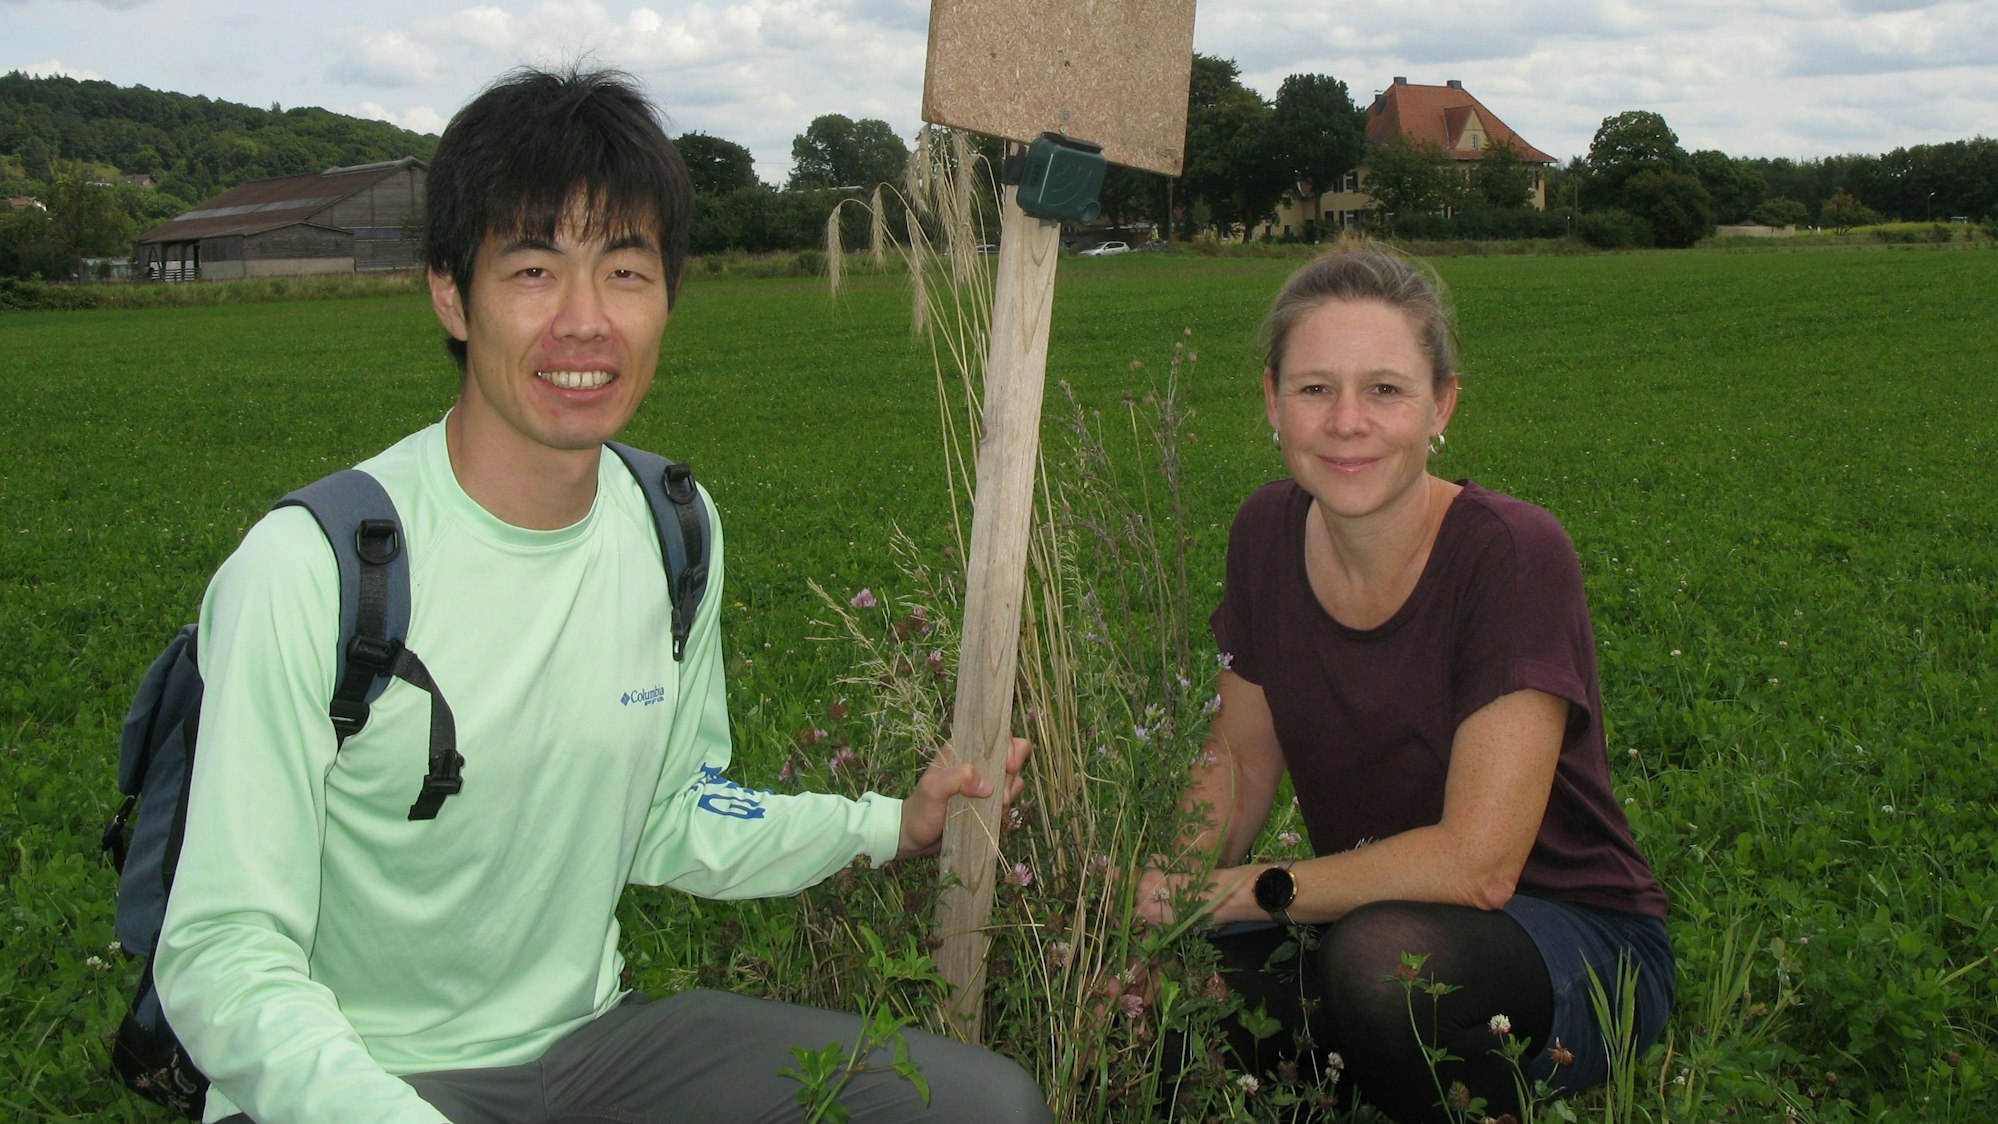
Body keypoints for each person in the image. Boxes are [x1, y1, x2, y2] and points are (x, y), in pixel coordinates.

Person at [154, 67, 1051, 1124]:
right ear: (451, 290)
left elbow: (671, 813)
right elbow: (221, 949)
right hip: (356, 1071)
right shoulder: (314, 567)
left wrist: (890, 822)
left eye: (625, 271)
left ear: (669, 291)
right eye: (533, 270)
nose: (585, 323)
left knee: (983, 1107)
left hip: (592, 1051)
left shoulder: (672, 526)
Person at [1134, 240, 1674, 1122]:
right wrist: (1161, 916)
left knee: (1383, 971)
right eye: (1315, 388)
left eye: (1385, 389)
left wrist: (1235, 895)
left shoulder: (1510, 555)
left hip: (1573, 939)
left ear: (1441, 406)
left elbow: (1478, 867)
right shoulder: (1267, 532)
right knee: (1175, 1002)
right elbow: (1236, 758)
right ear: (1273, 401)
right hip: (1364, 908)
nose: (1348, 421)